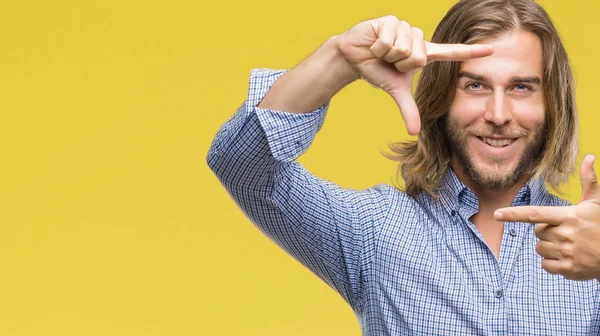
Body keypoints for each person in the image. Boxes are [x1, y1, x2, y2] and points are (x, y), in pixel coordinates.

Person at [207, 0, 600, 334]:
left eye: (521, 87)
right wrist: (340, 59)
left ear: (552, 104)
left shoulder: (590, 242)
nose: (498, 114)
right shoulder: (375, 231)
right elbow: (241, 164)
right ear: (442, 97)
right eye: (475, 86)